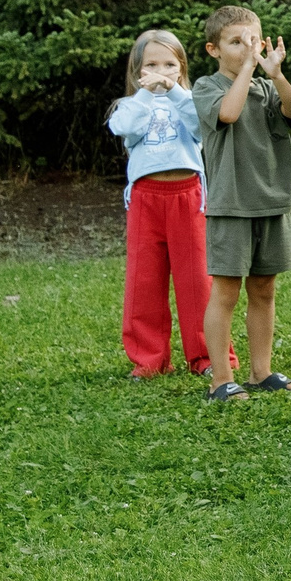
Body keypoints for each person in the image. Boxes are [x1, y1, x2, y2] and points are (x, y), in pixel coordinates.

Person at [193, 6, 291, 403]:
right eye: (235, 42)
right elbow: (229, 112)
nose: (246, 49)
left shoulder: (269, 87)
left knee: (264, 289)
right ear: (214, 49)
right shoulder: (207, 87)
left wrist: (275, 74)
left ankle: (261, 371)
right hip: (231, 204)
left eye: (252, 41)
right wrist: (246, 71)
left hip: (271, 202)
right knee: (225, 292)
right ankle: (220, 380)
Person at [108, 29, 217, 381]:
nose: (160, 71)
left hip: (187, 195)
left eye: (169, 64)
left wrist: (175, 91)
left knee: (196, 279)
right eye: (151, 64)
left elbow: (202, 128)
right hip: (146, 198)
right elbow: (124, 127)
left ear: (182, 68)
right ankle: (150, 359)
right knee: (145, 281)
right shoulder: (131, 105)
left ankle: (205, 355)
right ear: (137, 71)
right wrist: (145, 94)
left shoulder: (189, 100)